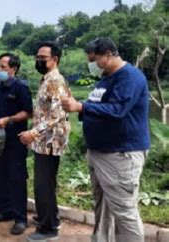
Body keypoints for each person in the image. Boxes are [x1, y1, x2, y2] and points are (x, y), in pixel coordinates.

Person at [62, 37, 150, 242]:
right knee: (103, 206)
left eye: (94, 59)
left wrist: (82, 107)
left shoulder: (129, 77)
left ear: (109, 54)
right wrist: (79, 104)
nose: (91, 64)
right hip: (100, 153)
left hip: (120, 154)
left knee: (124, 211)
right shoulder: (105, 78)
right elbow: (97, 107)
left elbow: (118, 110)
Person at [18, 41, 71, 242]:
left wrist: (34, 132)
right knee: (46, 182)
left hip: (50, 140)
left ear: (55, 59)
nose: (38, 61)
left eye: (43, 58)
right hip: (45, 139)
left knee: (43, 184)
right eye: (37, 57)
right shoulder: (47, 79)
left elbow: (57, 114)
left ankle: (48, 229)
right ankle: (50, 218)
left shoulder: (55, 81)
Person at [0, 53, 33, 235]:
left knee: (16, 177)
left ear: (13, 69)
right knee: (0, 174)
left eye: (3, 67)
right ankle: (5, 211)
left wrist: (9, 119)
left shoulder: (20, 87)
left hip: (16, 139)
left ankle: (20, 218)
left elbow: (28, 112)